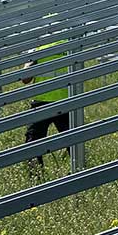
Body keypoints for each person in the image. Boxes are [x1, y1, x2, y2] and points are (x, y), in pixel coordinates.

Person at [19, 35, 73, 175]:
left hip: (42, 102)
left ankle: (36, 178)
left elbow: (25, 78)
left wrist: (32, 59)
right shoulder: (68, 45)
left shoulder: (37, 47)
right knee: (74, 141)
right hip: (65, 101)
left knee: (33, 144)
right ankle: (80, 172)